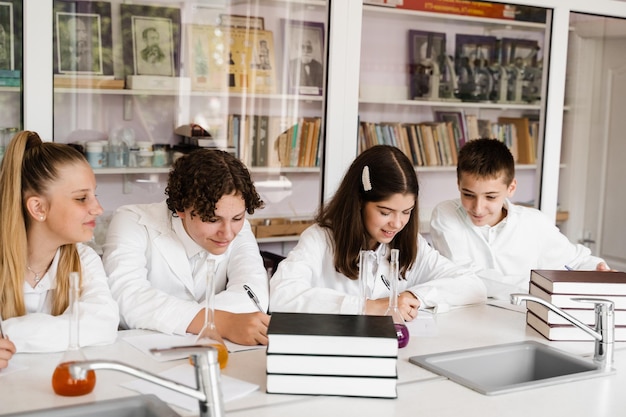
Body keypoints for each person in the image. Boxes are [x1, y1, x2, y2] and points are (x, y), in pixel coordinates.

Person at [269, 145, 486, 317]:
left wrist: (413, 296)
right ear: (360, 202)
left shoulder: (410, 243)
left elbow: (473, 287)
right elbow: (281, 295)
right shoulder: (320, 239)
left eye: (406, 212)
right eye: (385, 212)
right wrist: (367, 307)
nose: (397, 223)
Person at [102, 149, 270, 345]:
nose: (228, 233)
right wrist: (223, 322)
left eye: (238, 218)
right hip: (142, 352)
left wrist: (183, 319)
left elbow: (253, 295)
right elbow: (126, 299)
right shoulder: (132, 221)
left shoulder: (236, 229)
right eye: (212, 219)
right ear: (181, 207)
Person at [429, 138, 611, 300]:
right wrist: (542, 286)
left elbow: (576, 261)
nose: (477, 208)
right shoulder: (446, 214)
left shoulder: (534, 222)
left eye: (490, 197)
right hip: (465, 320)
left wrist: (598, 271)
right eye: (468, 194)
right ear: (458, 184)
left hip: (524, 321)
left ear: (511, 187)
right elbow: (467, 277)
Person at [0, 131, 119, 354]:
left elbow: (102, 325)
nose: (98, 209)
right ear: (38, 208)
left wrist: (8, 335)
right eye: (81, 198)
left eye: (94, 195)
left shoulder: (84, 260)